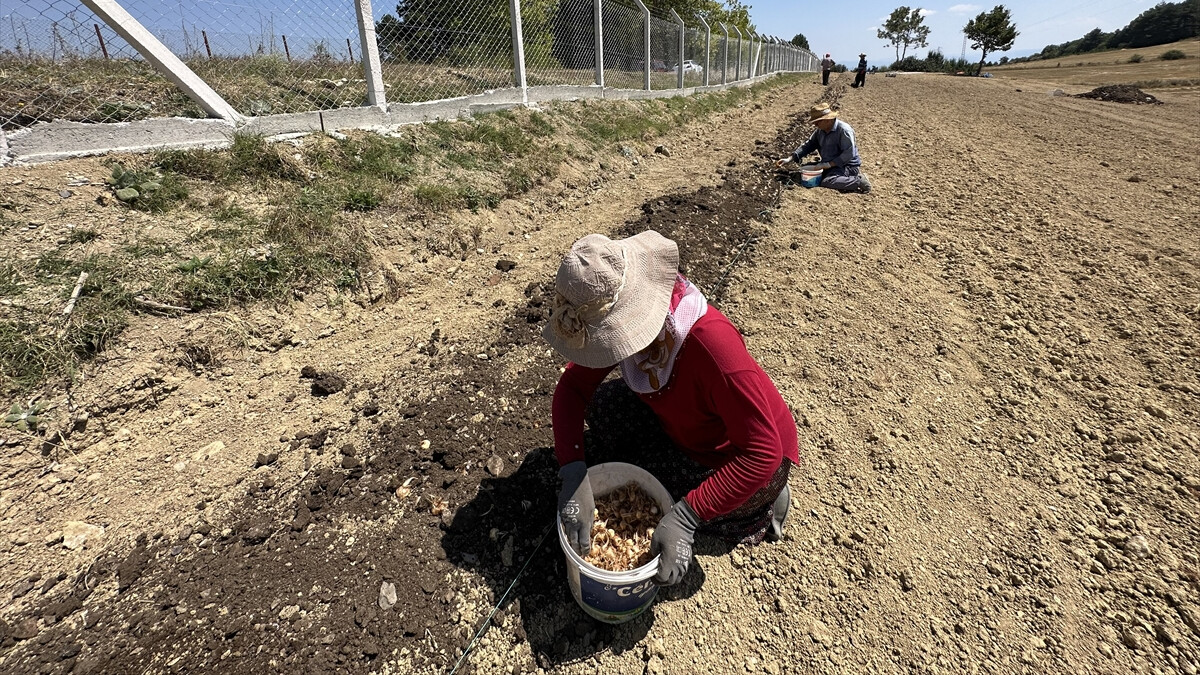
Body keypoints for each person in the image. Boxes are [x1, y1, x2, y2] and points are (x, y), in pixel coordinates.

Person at [547, 231, 798, 587]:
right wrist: (572, 470)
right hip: (687, 423)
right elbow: (573, 388)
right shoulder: (634, 326)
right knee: (605, 410)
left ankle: (759, 509)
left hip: (745, 456)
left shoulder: (712, 348)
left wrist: (687, 516)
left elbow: (762, 452)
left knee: (655, 490)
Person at [775, 103, 871, 194]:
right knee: (805, 170)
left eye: (817, 122)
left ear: (827, 120)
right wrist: (789, 159)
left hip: (846, 166)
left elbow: (849, 154)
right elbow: (809, 145)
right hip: (829, 163)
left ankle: (859, 181)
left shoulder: (844, 130)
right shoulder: (820, 131)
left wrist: (828, 165)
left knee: (828, 181)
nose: (815, 125)